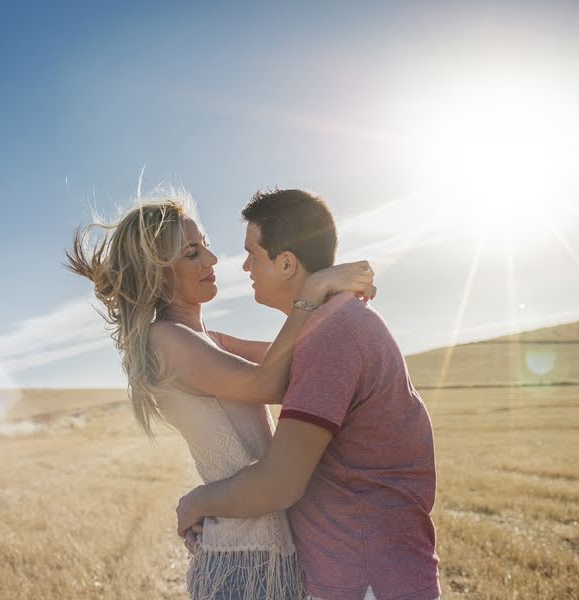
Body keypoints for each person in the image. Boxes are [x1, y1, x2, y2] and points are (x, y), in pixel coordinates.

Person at [65, 188, 376, 600]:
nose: (212, 261)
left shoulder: (205, 339)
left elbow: (300, 361)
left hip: (267, 551)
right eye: (192, 252)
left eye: (206, 247)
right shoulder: (166, 339)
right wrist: (313, 289)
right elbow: (268, 383)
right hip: (241, 565)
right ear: (157, 272)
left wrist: (335, 299)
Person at [176, 189, 441, 600]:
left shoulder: (333, 338)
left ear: (285, 264)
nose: (245, 266)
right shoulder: (333, 325)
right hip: (369, 577)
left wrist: (196, 504)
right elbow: (242, 352)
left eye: (253, 254)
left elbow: (278, 484)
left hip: (366, 583)